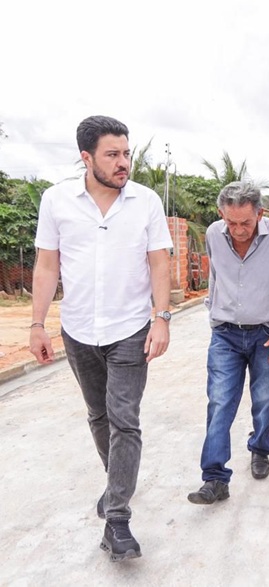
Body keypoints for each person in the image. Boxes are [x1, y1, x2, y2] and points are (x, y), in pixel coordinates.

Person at [29, 115, 173, 562]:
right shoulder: (56, 200)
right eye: (112, 154)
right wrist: (37, 324)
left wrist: (162, 317)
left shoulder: (146, 201)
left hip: (130, 329)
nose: (123, 162)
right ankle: (117, 484)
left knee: (124, 420)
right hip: (77, 330)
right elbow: (47, 265)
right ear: (86, 157)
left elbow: (159, 262)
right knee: (98, 415)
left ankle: (118, 519)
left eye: (126, 153)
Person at [187, 182, 269, 506]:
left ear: (260, 213)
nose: (238, 229)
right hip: (225, 334)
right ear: (222, 214)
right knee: (219, 401)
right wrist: (213, 312)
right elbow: (216, 275)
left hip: (266, 333)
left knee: (264, 398)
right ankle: (215, 478)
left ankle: (260, 448)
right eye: (231, 222)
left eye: (245, 222)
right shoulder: (213, 234)